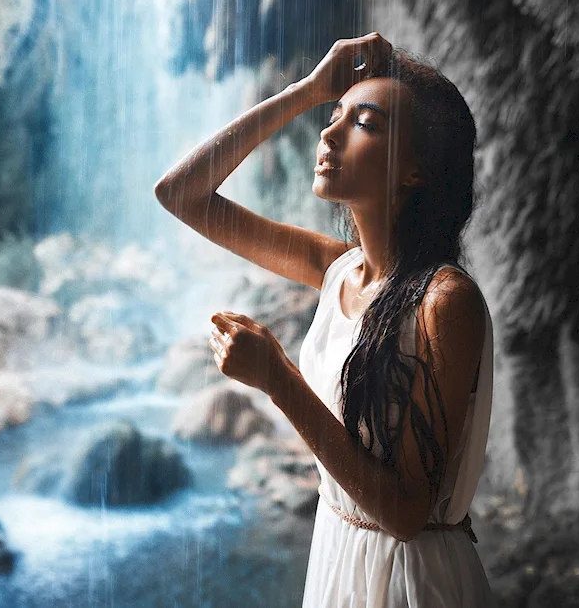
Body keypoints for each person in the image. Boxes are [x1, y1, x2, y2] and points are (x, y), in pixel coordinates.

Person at [155, 32, 495, 606]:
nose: (328, 133)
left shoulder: (445, 301)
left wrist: (279, 380)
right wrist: (305, 91)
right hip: (338, 552)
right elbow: (181, 194)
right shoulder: (338, 269)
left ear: (416, 171)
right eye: (331, 116)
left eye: (364, 123)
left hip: (413, 579)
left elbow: (407, 513)